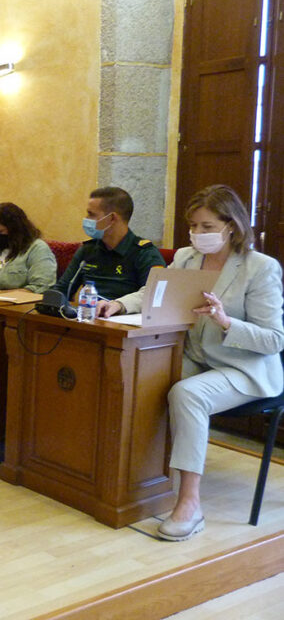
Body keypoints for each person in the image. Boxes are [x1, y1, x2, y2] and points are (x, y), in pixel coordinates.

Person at [99, 185, 284, 541]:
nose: (198, 234)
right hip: (197, 357)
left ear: (232, 225)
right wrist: (120, 304)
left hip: (245, 369)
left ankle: (189, 502)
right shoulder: (185, 257)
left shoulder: (260, 268)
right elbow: (153, 293)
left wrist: (226, 321)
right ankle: (136, 481)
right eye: (194, 226)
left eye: (207, 226)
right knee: (138, 377)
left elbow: (274, 340)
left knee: (187, 395)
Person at [53, 186, 165, 301]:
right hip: (88, 314)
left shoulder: (144, 253)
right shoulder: (88, 249)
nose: (86, 219)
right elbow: (62, 289)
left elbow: (155, 297)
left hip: (122, 316)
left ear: (112, 218)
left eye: (91, 214)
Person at [0, 202, 57, 293]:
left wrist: (6, 296)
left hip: (14, 303)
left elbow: (42, 286)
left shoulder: (37, 249)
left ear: (15, 229)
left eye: (0, 232)